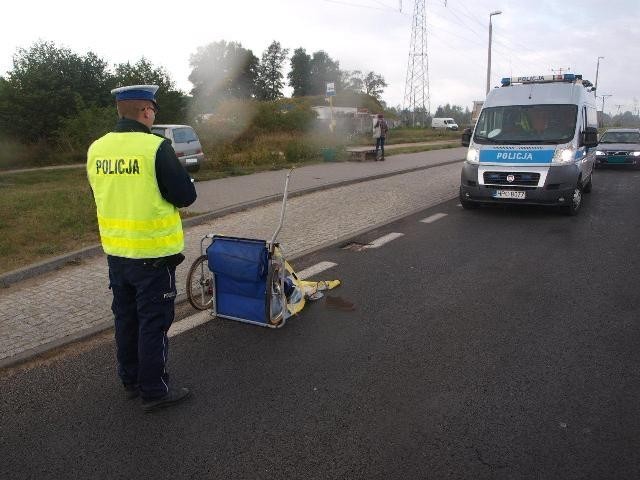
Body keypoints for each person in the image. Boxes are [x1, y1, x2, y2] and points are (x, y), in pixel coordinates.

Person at [86, 85, 197, 412]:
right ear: (145, 111)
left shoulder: (97, 148)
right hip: (152, 255)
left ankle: (131, 379)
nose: (154, 114)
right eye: (153, 110)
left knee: (126, 318)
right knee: (153, 322)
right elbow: (185, 196)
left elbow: (99, 192)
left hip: (117, 253)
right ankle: (154, 391)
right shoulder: (155, 148)